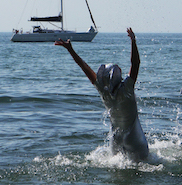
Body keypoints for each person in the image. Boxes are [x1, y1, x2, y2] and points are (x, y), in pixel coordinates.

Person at [55, 28, 149, 161]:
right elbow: (136, 63)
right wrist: (133, 41)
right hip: (134, 138)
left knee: (115, 169)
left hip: (115, 140)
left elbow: (85, 68)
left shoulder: (103, 92)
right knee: (143, 168)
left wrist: (71, 50)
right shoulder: (126, 88)